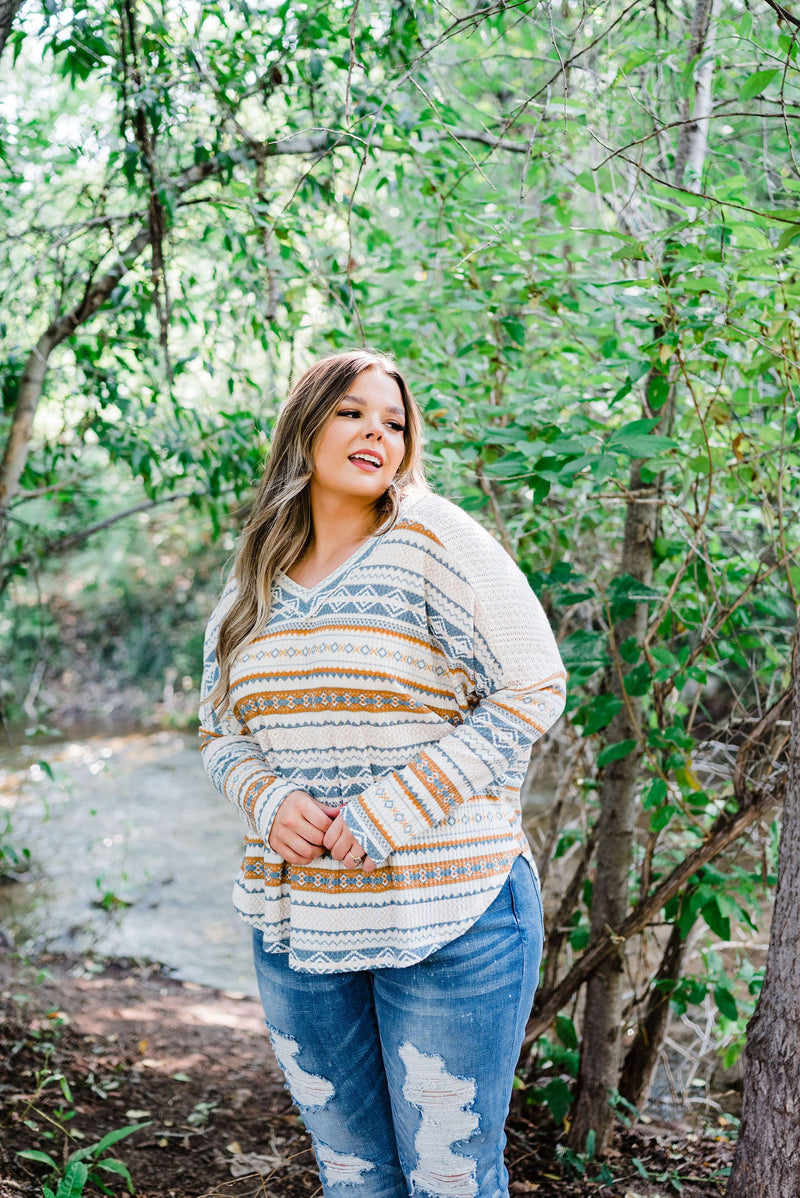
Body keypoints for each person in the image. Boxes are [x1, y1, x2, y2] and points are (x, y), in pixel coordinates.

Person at [199, 348, 566, 1198]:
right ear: (306, 426)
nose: (377, 433)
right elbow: (220, 732)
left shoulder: (433, 536)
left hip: (452, 913)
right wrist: (267, 797)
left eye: (394, 422)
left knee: (448, 1178)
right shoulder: (253, 577)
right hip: (297, 926)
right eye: (353, 413)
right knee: (354, 1174)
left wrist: (392, 810)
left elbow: (535, 684)